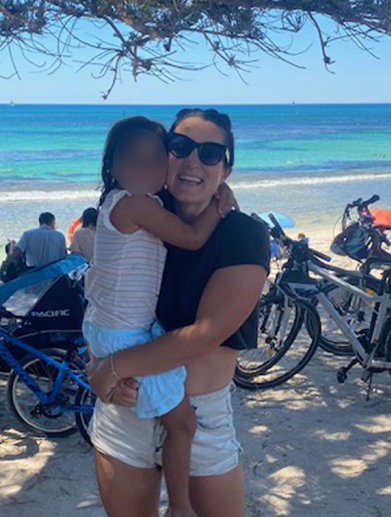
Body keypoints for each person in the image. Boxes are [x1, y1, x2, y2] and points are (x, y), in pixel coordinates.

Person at [86, 109, 269, 517]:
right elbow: (109, 297)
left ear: (227, 168)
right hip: (125, 412)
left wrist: (107, 367)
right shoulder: (143, 210)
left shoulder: (242, 233)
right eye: (180, 147)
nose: (192, 161)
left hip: (198, 417)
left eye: (209, 153)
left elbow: (205, 335)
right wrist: (98, 364)